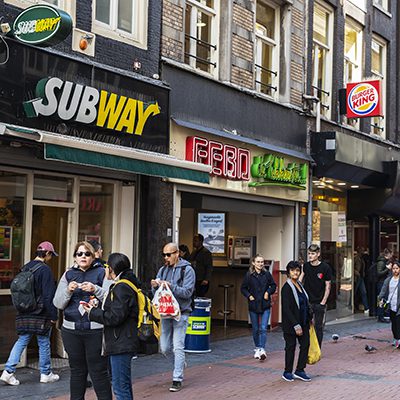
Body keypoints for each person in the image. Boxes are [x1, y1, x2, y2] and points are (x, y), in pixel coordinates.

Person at [53, 241, 112, 400]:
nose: (83, 257)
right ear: (75, 257)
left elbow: (111, 300)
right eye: (79, 254)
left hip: (95, 329)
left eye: (87, 254)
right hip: (71, 330)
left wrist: (95, 289)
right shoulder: (68, 274)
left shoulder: (102, 272)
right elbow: (57, 303)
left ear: (93, 257)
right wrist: (68, 290)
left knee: (98, 372)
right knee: (77, 371)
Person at [0, 241, 59, 386]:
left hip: (24, 311)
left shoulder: (25, 267)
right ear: (47, 253)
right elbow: (48, 296)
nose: (51, 258)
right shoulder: (45, 270)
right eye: (51, 255)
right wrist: (53, 315)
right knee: (43, 341)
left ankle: (8, 371)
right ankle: (45, 373)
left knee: (21, 340)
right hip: (40, 312)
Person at [84, 253, 139, 400]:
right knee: (123, 385)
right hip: (122, 340)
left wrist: (92, 312)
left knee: (120, 387)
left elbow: (115, 317)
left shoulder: (121, 287)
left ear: (112, 268)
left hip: (121, 342)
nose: (105, 269)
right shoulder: (126, 284)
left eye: (106, 266)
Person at [151, 242, 195, 392]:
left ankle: (177, 378)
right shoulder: (162, 270)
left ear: (177, 254)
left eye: (168, 255)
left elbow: (187, 293)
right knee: (164, 348)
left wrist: (170, 286)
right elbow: (157, 294)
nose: (166, 257)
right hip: (165, 312)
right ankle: (180, 364)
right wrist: (154, 286)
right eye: (163, 254)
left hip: (181, 313)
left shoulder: (187, 270)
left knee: (178, 346)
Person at [240, 254, 276, 361]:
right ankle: (257, 348)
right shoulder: (249, 275)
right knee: (255, 329)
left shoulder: (267, 274)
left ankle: (262, 349)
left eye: (262, 262)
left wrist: (268, 292)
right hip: (253, 305)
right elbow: (243, 288)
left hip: (265, 304)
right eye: (258, 262)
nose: (260, 264)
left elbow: (273, 285)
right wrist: (249, 296)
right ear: (253, 263)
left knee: (263, 328)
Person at [281, 261, 311, 382]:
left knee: (305, 345)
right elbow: (286, 309)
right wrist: (295, 325)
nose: (295, 273)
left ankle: (300, 370)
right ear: (288, 272)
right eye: (293, 270)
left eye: (297, 270)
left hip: (304, 322)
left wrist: (309, 318)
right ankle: (287, 372)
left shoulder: (300, 285)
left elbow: (305, 303)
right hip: (291, 324)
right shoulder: (286, 288)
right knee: (290, 347)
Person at [300, 243, 331, 348]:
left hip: (319, 302)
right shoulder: (306, 266)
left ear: (318, 254)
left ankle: (317, 349)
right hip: (308, 302)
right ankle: (307, 348)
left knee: (318, 327)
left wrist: (323, 302)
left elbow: (328, 286)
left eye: (312, 253)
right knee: (306, 325)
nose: (310, 256)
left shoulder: (325, 267)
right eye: (309, 253)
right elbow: (300, 281)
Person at [378, 260, 400, 347]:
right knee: (393, 323)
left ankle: (398, 340)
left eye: (397, 268)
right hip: (391, 304)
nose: (395, 270)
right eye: (393, 268)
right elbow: (383, 290)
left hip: (399, 305)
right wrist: (380, 299)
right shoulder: (388, 280)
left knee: (398, 322)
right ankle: (395, 338)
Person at [376, 248, 393, 323]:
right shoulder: (381, 262)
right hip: (381, 283)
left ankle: (382, 315)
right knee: (381, 299)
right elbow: (379, 273)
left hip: (384, 283)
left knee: (384, 299)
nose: (391, 255)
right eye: (391, 254)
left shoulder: (385, 261)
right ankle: (380, 316)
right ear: (388, 254)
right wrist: (387, 268)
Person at [354, 248, 369, 314]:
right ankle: (352, 305)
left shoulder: (361, 259)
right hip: (357, 277)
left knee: (363, 292)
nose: (363, 252)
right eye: (361, 251)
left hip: (361, 277)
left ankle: (366, 307)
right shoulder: (356, 258)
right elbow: (352, 267)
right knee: (355, 292)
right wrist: (356, 272)